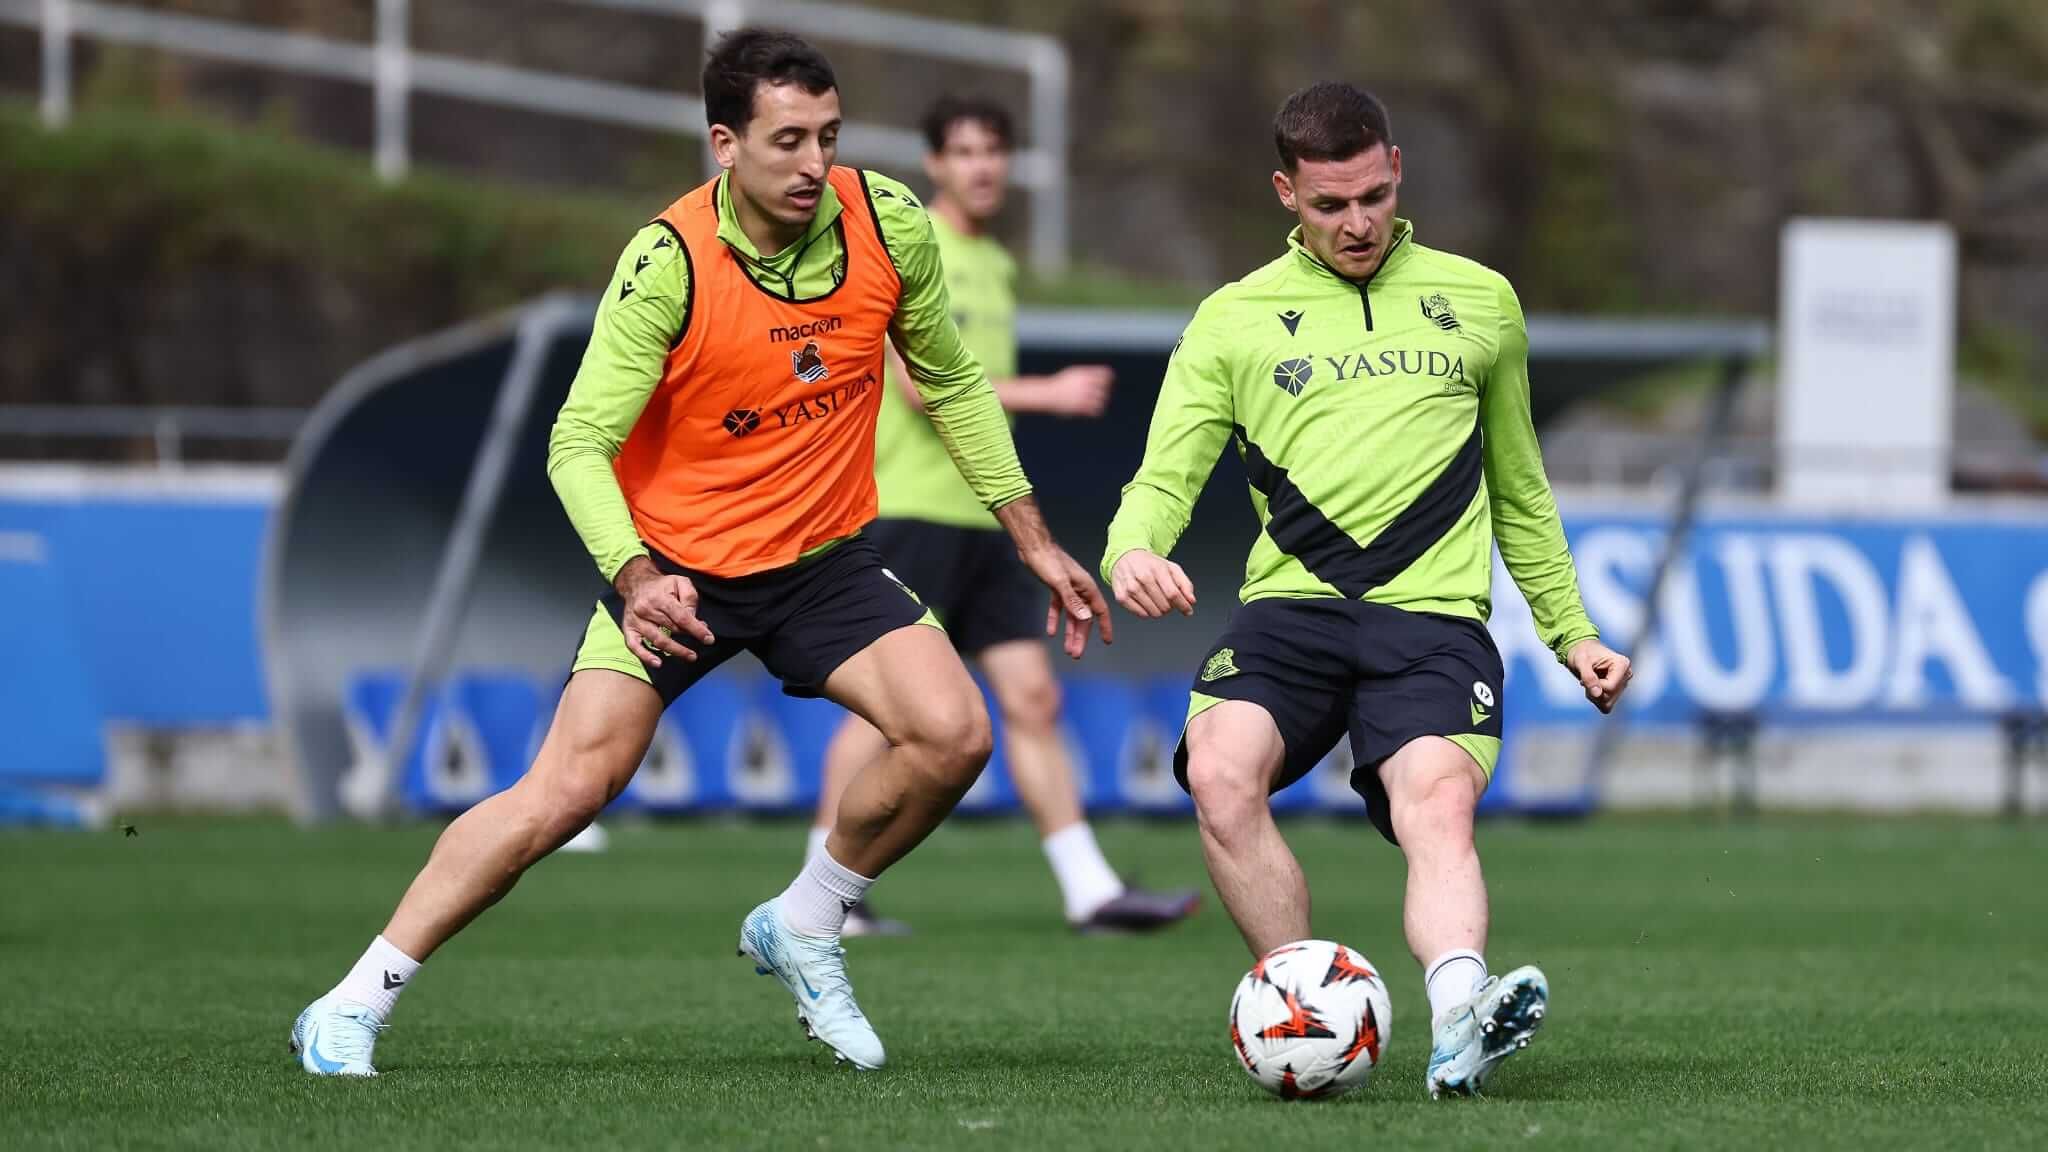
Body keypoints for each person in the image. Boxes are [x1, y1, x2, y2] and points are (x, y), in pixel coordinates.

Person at [290, 29, 1109, 1077]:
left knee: (953, 735)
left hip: (822, 562)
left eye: (828, 136)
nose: (814, 164)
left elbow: (948, 380)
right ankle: (353, 1002)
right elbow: (576, 443)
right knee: (563, 793)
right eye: (785, 141)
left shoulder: (888, 221)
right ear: (726, 144)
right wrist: (635, 576)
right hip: (681, 574)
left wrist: (1031, 540)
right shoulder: (667, 261)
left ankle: (806, 921)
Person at [1101, 82, 1632, 1098]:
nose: (1354, 224)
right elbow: (1163, 473)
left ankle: (1459, 1018)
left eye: (1369, 199)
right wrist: (1130, 550)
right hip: (1290, 612)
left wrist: (1571, 633)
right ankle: (1302, 1006)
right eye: (1326, 205)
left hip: (1430, 620)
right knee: (1218, 776)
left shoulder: (1480, 301)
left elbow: (1518, 487)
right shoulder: (1231, 319)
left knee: (1434, 805)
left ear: (1395, 172)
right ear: (1284, 195)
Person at [807, 95, 1199, 937]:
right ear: (935, 164)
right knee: (879, 712)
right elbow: (916, 390)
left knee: (1032, 698)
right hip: (907, 510)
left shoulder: (997, 264)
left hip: (986, 520)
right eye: (965, 152)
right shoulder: (911, 246)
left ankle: (1088, 889)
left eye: (995, 151)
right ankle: (823, 893)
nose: (983, 167)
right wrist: (1047, 393)